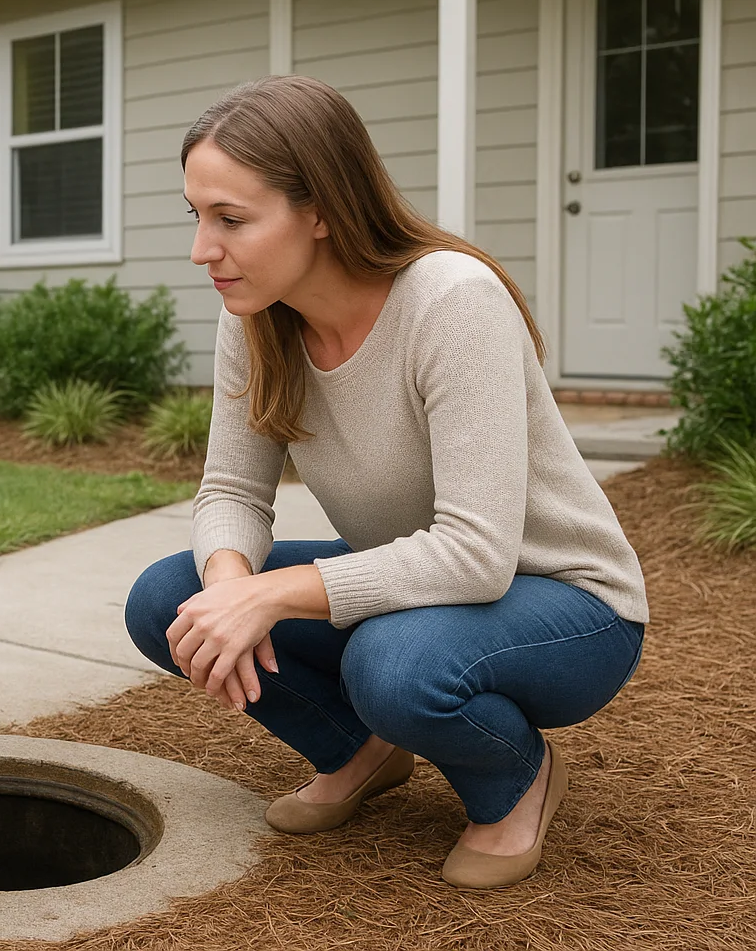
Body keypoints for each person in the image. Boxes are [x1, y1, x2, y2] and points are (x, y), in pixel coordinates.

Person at [124, 76, 647, 890]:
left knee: (393, 664)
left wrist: (269, 597)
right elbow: (230, 491)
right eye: (195, 215)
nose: (202, 249)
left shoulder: (450, 302)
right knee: (170, 600)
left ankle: (517, 781)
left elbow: (476, 554)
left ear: (322, 208)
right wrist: (230, 584)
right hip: (422, 580)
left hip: (564, 599)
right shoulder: (254, 315)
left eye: (231, 219)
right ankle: (359, 747)